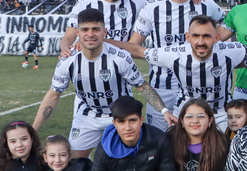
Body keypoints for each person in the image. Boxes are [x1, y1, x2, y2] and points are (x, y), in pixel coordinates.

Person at [32, 8, 171, 159]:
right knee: (74, 162)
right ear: (77, 33)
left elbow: (143, 87)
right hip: (88, 113)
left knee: (126, 162)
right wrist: (34, 129)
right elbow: (53, 95)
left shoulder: (120, 57)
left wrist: (164, 111)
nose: (90, 34)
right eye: (85, 29)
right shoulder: (68, 60)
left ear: (104, 32)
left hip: (120, 116)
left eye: (96, 29)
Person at [113, 15, 247, 131]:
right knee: (176, 154)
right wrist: (101, 42)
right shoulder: (175, 53)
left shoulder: (231, 50)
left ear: (216, 38)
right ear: (188, 37)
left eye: (206, 36)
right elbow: (138, 51)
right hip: (185, 113)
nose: (200, 41)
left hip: (220, 114)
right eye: (196, 36)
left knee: (227, 155)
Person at [131, 0, 224, 130]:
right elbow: (133, 47)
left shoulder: (206, 5)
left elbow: (227, 27)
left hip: (197, 86)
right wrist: (161, 57)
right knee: (159, 142)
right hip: (161, 87)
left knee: (196, 140)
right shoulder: (152, 8)